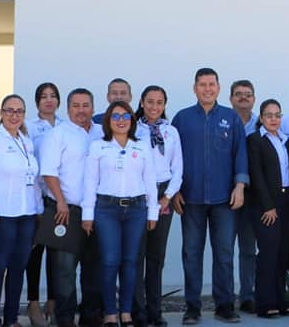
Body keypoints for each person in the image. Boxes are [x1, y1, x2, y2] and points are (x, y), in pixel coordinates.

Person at [172, 68, 249, 325]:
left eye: (211, 84)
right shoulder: (182, 119)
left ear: (218, 88)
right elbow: (173, 158)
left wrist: (240, 186)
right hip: (190, 199)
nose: (207, 89)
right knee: (191, 254)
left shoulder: (231, 117)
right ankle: (192, 307)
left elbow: (240, 153)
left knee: (224, 254)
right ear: (195, 88)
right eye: (202, 84)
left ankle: (224, 306)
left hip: (224, 200)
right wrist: (174, 191)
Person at [82, 102, 159, 327]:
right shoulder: (98, 146)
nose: (121, 120)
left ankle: (126, 312)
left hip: (136, 209)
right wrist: (88, 214)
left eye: (125, 116)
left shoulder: (141, 146)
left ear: (132, 121)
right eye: (115, 116)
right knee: (109, 261)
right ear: (108, 121)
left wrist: (152, 212)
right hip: (107, 210)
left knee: (131, 261)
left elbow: (150, 180)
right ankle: (110, 312)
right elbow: (90, 181)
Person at [39, 88, 104, 327]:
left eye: (85, 105)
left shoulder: (102, 132)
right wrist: (61, 201)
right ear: (67, 109)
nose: (81, 110)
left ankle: (91, 316)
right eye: (76, 106)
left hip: (97, 210)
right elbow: (49, 171)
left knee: (94, 267)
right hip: (66, 211)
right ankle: (65, 318)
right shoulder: (58, 134)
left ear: (93, 108)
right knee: (65, 269)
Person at [0, 94, 42, 327]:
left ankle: (11, 319)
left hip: (25, 214)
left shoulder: (25, 141)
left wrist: (38, 210)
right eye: (9, 110)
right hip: (1, 215)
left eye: (19, 111)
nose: (14, 115)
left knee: (18, 269)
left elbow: (33, 179)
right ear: (2, 113)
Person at [133, 85, 183, 327]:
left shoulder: (171, 131)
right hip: (138, 195)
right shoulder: (132, 129)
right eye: (150, 101)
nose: (154, 106)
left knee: (156, 256)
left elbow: (178, 168)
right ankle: (137, 311)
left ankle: (155, 311)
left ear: (164, 105)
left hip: (164, 195)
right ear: (142, 102)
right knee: (136, 256)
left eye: (159, 102)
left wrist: (168, 196)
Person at [247, 98, 289, 318]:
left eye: (277, 115)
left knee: (282, 252)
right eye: (269, 115)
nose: (273, 119)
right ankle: (264, 302)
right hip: (266, 204)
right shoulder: (255, 140)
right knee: (268, 251)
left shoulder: (285, 140)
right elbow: (256, 174)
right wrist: (268, 205)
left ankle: (280, 298)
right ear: (261, 117)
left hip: (287, 201)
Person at [27, 82, 61, 326]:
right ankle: (33, 303)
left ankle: (53, 300)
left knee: (56, 253)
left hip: (58, 199)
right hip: (36, 198)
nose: (48, 100)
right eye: (43, 96)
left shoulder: (65, 127)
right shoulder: (28, 127)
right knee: (35, 253)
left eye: (53, 96)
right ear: (37, 101)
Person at [231, 79, 258, 314]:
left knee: (248, 249)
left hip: (253, 196)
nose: (243, 98)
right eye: (238, 94)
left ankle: (247, 295)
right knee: (224, 250)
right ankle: (225, 297)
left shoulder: (261, 124)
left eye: (248, 94)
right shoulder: (223, 121)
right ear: (231, 98)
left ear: (254, 99)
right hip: (226, 195)